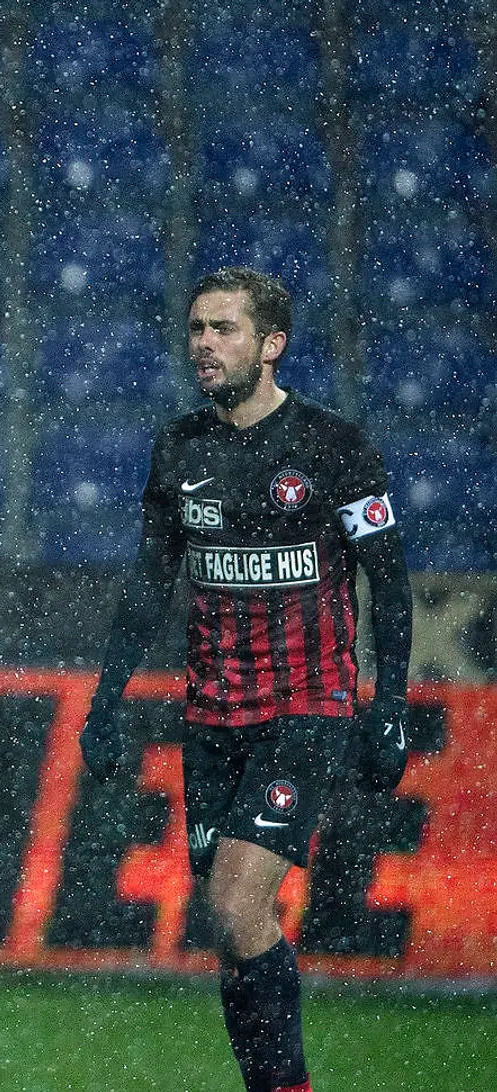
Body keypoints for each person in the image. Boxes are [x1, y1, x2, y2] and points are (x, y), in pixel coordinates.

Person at [79, 267, 413, 1092]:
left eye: (223, 329)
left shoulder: (334, 446)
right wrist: (105, 699)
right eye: (196, 328)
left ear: (272, 345)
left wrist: (391, 707)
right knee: (230, 929)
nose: (202, 345)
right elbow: (150, 581)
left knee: (235, 906)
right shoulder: (179, 447)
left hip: (307, 709)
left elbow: (391, 583)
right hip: (212, 718)